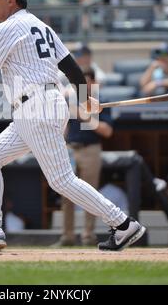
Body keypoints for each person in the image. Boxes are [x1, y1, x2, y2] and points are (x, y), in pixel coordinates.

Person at [0, 0, 146, 251]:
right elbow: (72, 68)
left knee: (62, 180)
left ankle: (123, 224)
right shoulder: (41, 26)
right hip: (37, 107)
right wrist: (86, 99)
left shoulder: (8, 27)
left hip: (36, 107)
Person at [56, 68, 113, 246]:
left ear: (93, 83)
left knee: (91, 194)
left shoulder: (100, 102)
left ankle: (88, 235)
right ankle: (67, 236)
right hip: (71, 149)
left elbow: (107, 131)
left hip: (90, 149)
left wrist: (85, 116)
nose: (83, 85)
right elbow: (65, 128)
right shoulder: (71, 100)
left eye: (86, 82)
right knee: (66, 193)